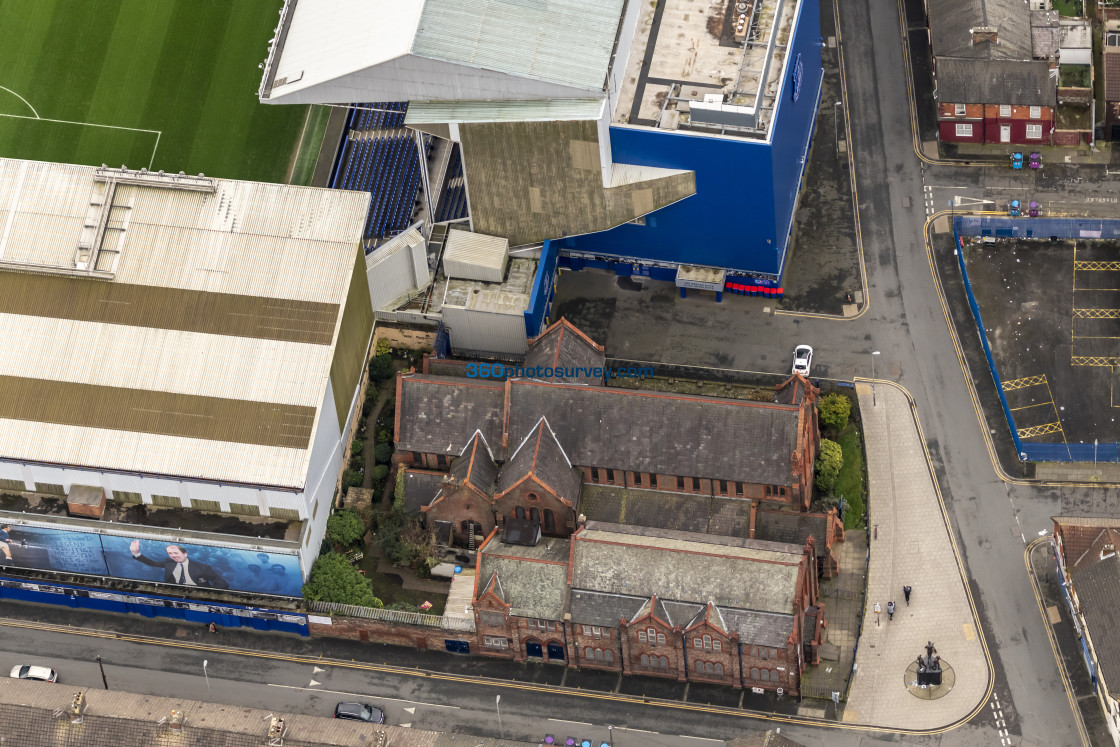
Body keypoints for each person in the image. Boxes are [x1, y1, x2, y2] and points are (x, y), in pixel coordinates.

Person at [129, 540, 229, 589]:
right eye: (170, 553)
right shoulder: (169, 563)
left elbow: (222, 584)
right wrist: (136, 553)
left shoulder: (202, 568)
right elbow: (153, 563)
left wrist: (209, 595)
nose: (173, 556)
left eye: (176, 553)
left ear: (185, 554)